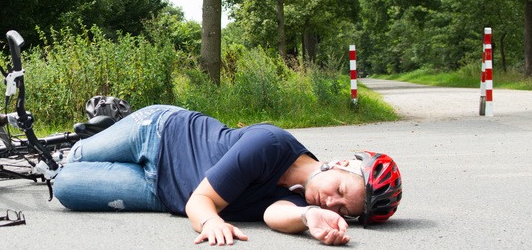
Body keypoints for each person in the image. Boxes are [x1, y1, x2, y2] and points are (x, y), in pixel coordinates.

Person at [52, 105, 402, 246]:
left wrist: (311, 217)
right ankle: (110, 122)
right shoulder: (269, 144)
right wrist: (210, 223)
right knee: (76, 154)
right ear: (338, 164)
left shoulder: (301, 198)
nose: (332, 201)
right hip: (160, 132)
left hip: (159, 190)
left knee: (64, 184)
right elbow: (202, 202)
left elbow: (273, 214)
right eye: (340, 189)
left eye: (343, 209)